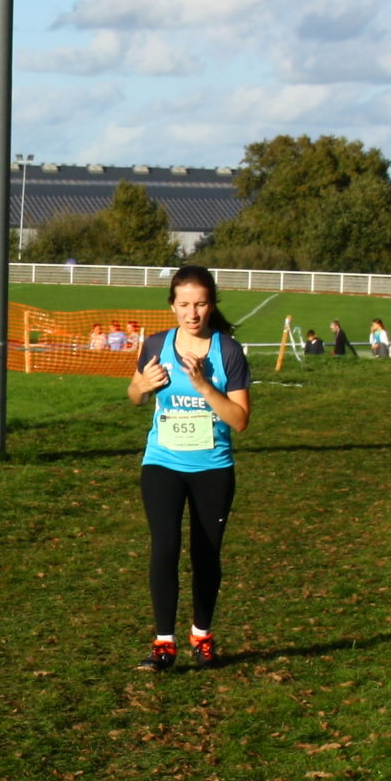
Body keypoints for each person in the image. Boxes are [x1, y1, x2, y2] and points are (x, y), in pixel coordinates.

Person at [126, 266, 253, 672]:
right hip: (162, 461)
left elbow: (240, 420)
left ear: (211, 305)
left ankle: (202, 636)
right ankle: (164, 643)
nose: (192, 313)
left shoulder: (227, 351)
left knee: (205, 553)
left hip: (212, 467)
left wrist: (203, 386)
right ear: (172, 306)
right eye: (184, 304)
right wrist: (142, 387)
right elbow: (134, 395)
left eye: (200, 304)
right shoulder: (156, 344)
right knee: (164, 547)